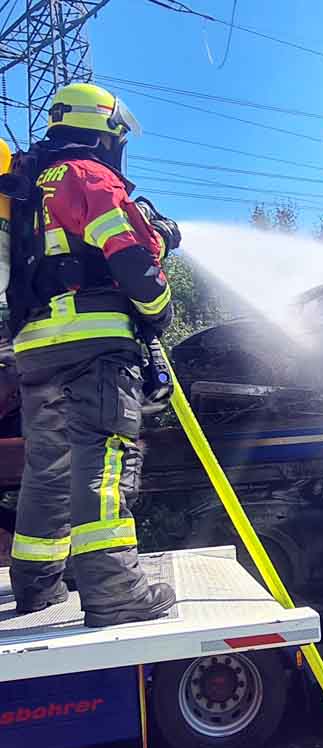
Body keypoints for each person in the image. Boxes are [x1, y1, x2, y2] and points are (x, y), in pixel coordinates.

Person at [5, 82, 182, 627]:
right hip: (94, 345)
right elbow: (129, 256)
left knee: (48, 468)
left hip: (34, 349)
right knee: (103, 461)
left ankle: (37, 586)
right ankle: (115, 594)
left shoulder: (26, 184)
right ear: (103, 131)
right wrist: (159, 309)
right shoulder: (89, 175)